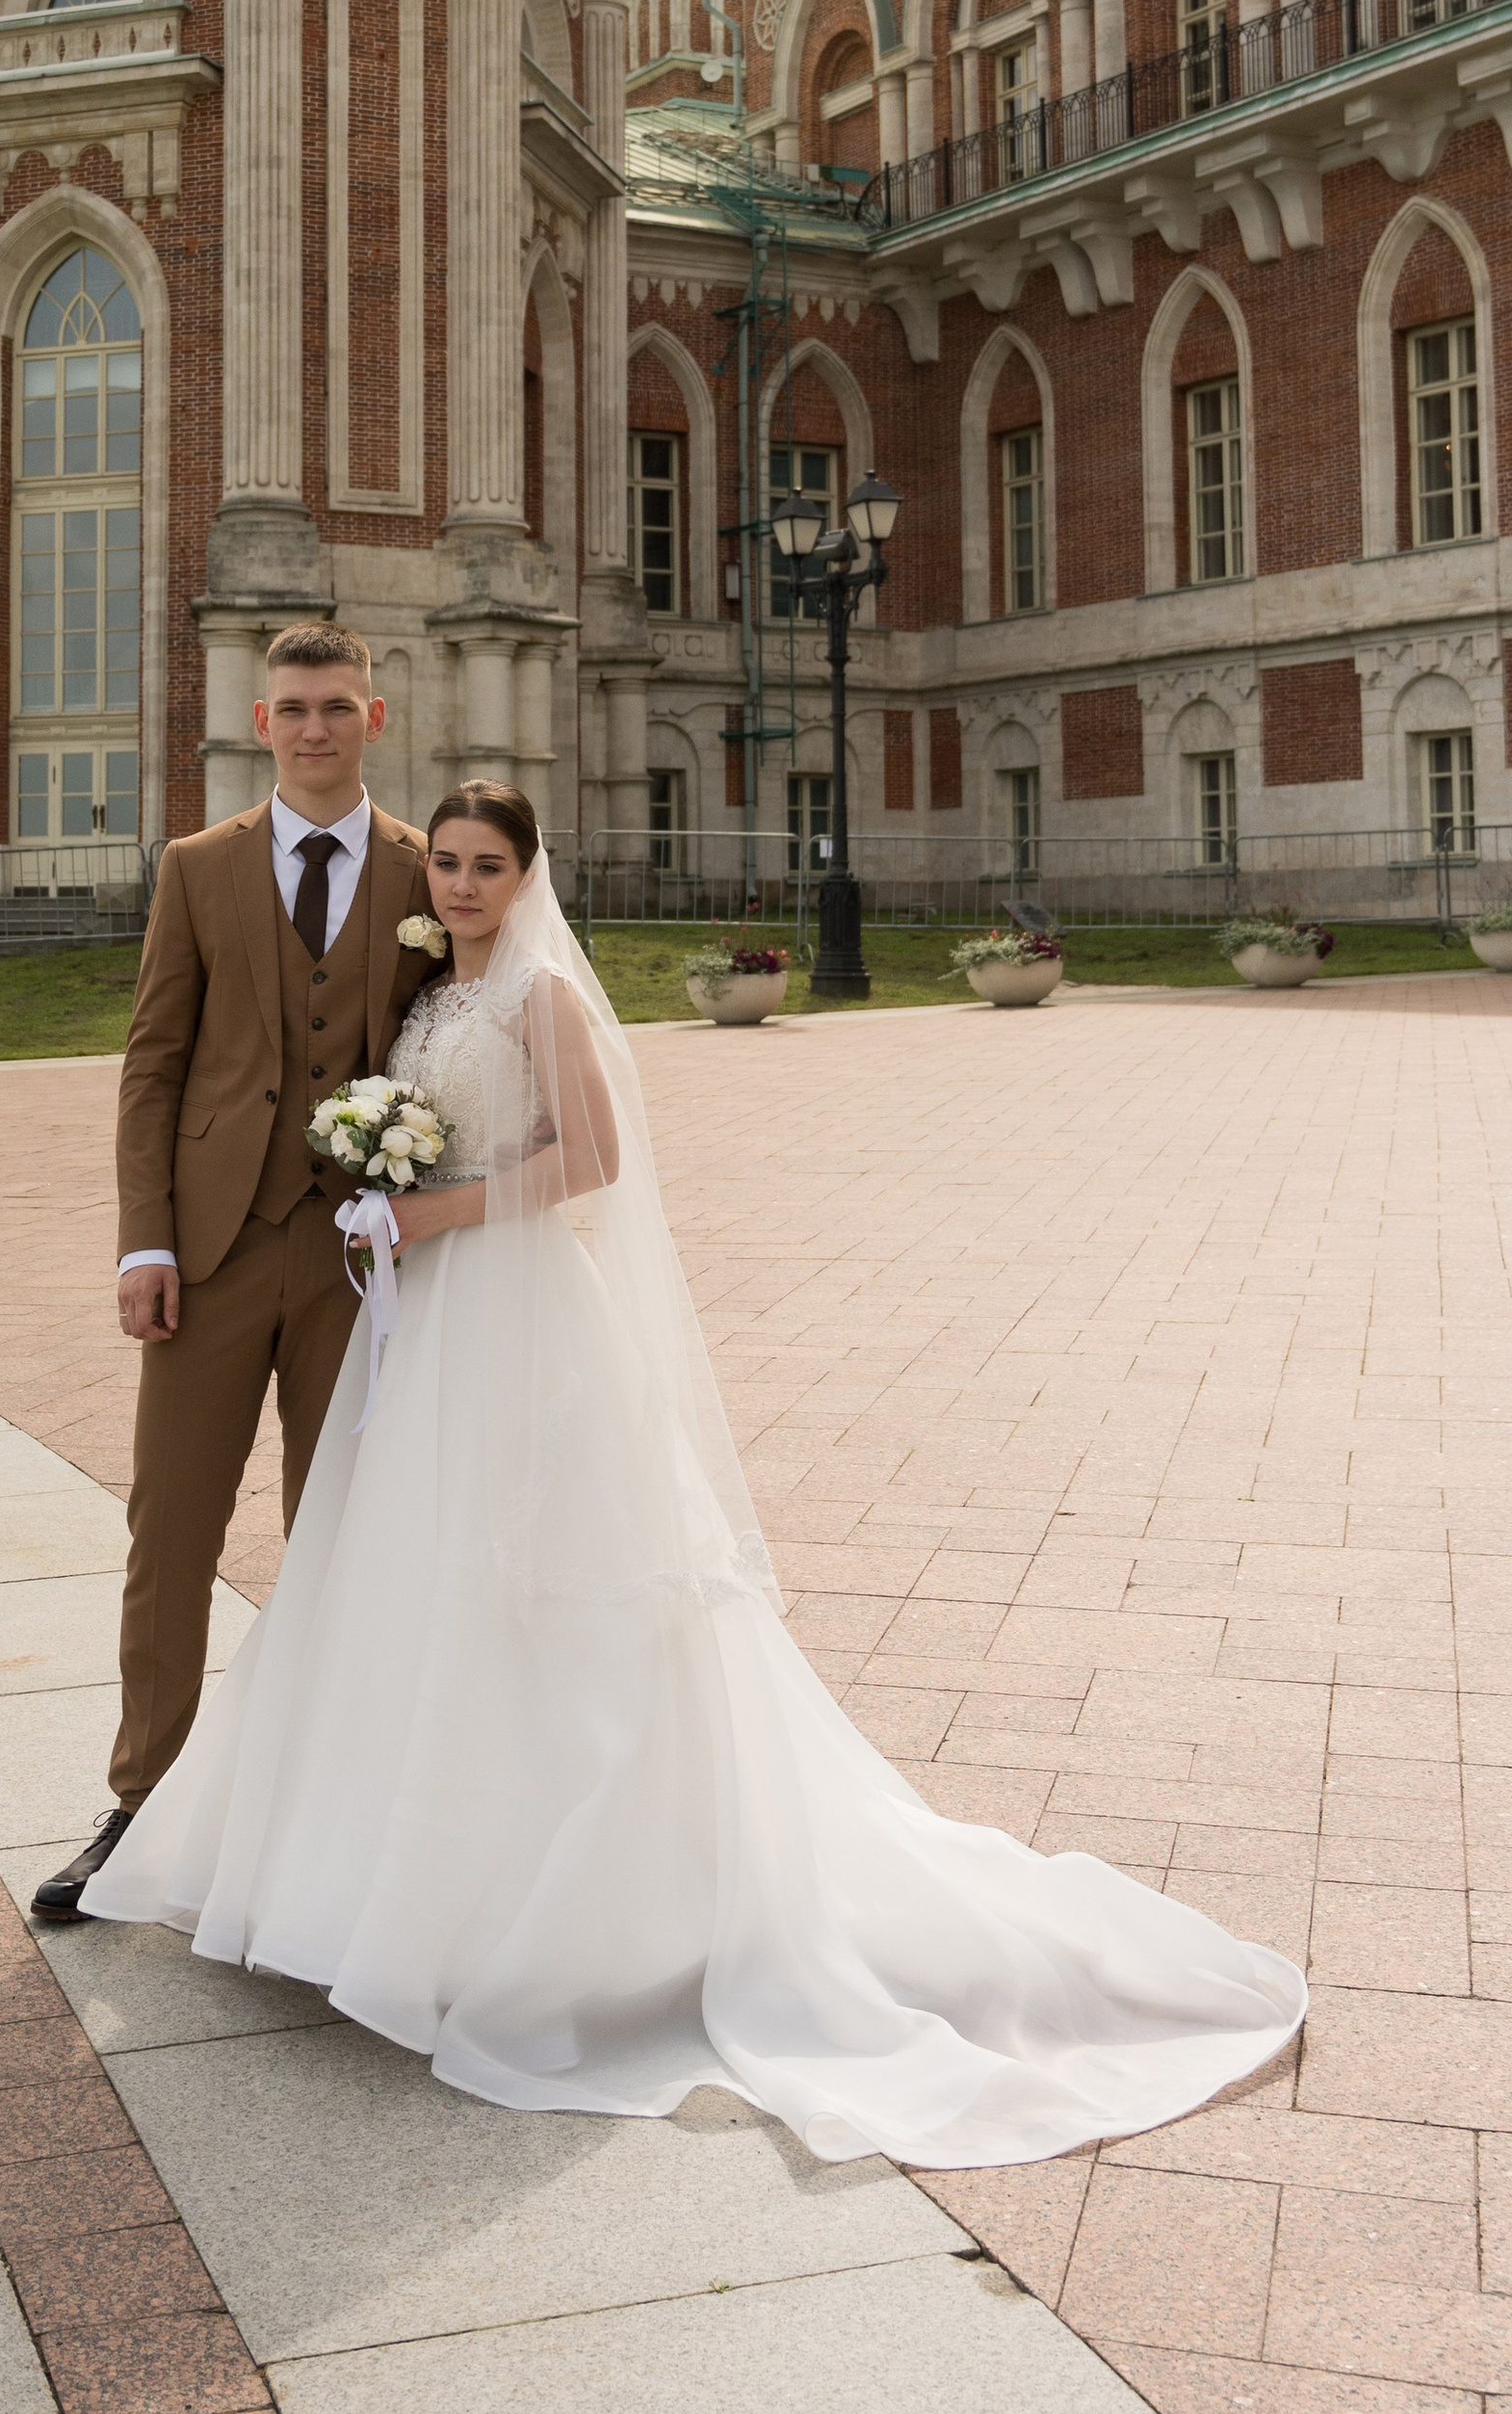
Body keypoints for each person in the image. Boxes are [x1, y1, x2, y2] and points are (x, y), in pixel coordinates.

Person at [80, 779, 1309, 2168]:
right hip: (431, 1330)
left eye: (490, 867)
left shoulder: (537, 992)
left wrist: (430, 1204)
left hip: (524, 1310)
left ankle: (565, 1905)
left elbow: (593, 1158)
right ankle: (381, 1871)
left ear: (527, 877)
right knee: (417, 1570)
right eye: (456, 867)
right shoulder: (430, 993)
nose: (465, 887)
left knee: (548, 1576)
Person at [28, 623, 439, 1923]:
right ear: (262, 723)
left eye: (337, 707)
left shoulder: (429, 872)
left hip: (352, 1266)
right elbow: (152, 1063)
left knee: (340, 1539)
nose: (315, 729)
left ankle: (324, 1811)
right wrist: (143, 1238)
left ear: (375, 717)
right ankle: (141, 1802)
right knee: (173, 1526)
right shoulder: (197, 868)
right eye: (293, 710)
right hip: (205, 1254)